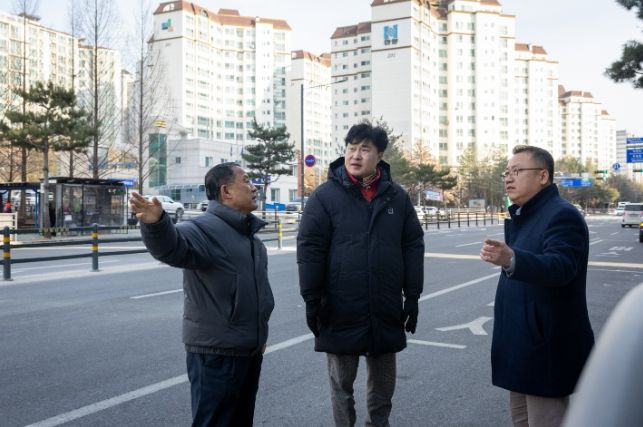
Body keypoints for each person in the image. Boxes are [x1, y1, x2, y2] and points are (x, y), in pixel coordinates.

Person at [297, 122, 425, 427]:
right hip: (339, 307)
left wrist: (412, 296)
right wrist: (312, 299)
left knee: (383, 385)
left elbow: (413, 245)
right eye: (351, 148)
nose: (355, 155)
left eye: (364, 149)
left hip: (385, 305)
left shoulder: (396, 197)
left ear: (379, 155)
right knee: (341, 384)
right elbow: (310, 248)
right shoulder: (325, 196)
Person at [130, 162, 274, 427]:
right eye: (246, 180)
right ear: (226, 191)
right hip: (216, 353)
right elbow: (172, 247)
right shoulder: (203, 229)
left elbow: (259, 294)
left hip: (248, 349)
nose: (254, 187)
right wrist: (156, 223)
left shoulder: (250, 238)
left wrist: (259, 335)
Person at [480, 145, 594, 427]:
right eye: (506, 172)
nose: (508, 178)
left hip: (546, 348)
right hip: (523, 345)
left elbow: (561, 267)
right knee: (521, 421)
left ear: (543, 176)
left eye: (517, 171)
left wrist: (512, 259)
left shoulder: (561, 214)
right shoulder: (526, 214)